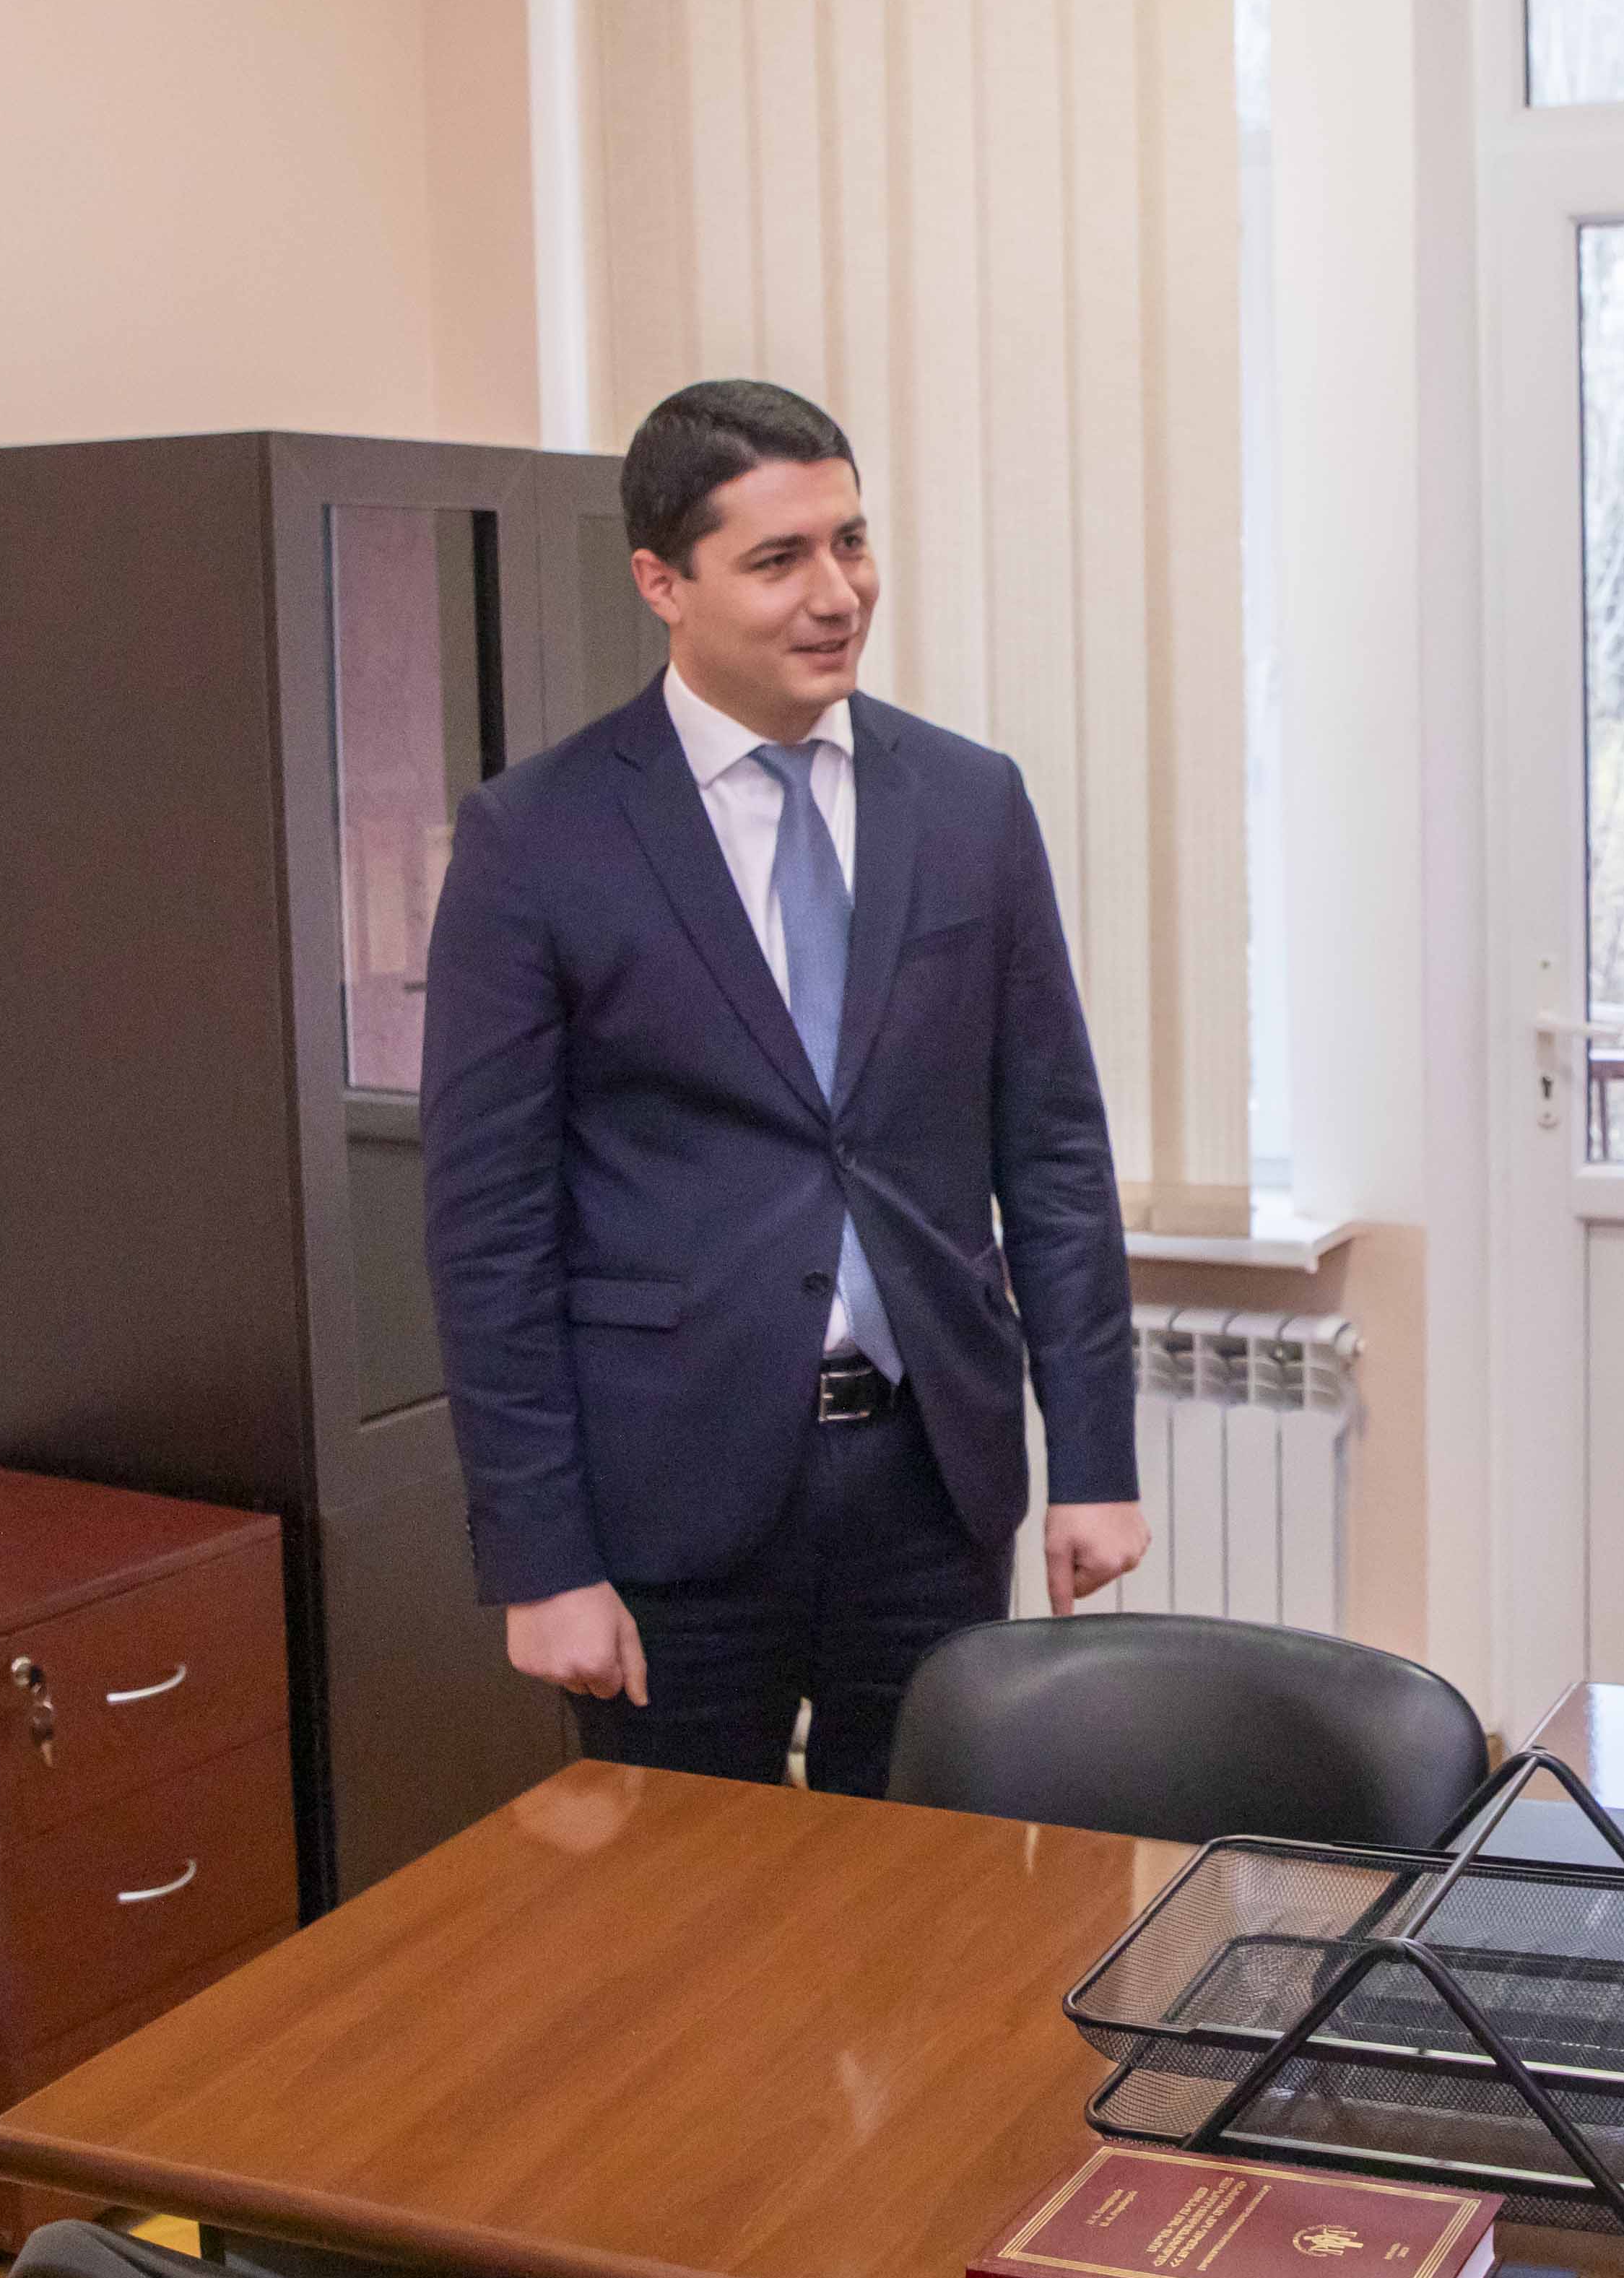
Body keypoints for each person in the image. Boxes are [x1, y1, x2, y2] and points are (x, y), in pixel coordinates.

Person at [420, 377, 1147, 1794]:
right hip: (666, 1496)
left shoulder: (973, 804)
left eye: (850, 541)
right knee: (688, 1902)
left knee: (927, 1888)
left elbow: (1054, 1149)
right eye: (777, 559)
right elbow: (487, 1228)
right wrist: (540, 1557)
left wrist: (1096, 1457)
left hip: (931, 1483)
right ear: (662, 582)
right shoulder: (537, 836)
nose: (836, 593)